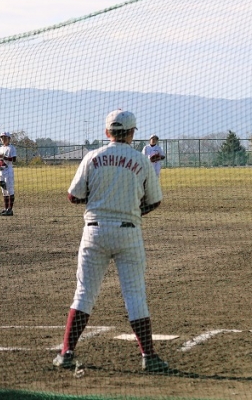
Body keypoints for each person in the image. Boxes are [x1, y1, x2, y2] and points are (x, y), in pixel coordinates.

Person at [53, 110, 168, 372]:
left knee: (84, 293)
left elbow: (73, 196)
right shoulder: (141, 160)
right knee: (135, 295)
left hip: (94, 231)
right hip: (129, 232)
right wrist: (132, 210)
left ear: (107, 132)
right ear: (131, 133)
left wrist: (96, 200)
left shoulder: (92, 157)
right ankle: (148, 356)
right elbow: (154, 201)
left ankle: (67, 353)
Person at [0, 132, 17, 216]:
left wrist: (5, 157)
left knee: (9, 189)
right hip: (1, 171)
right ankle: (5, 209)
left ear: (9, 138)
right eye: (2, 138)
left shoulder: (11, 148)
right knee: (3, 190)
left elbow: (14, 159)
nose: (3, 139)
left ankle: (10, 210)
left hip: (8, 171)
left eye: (5, 137)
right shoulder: (1, 148)